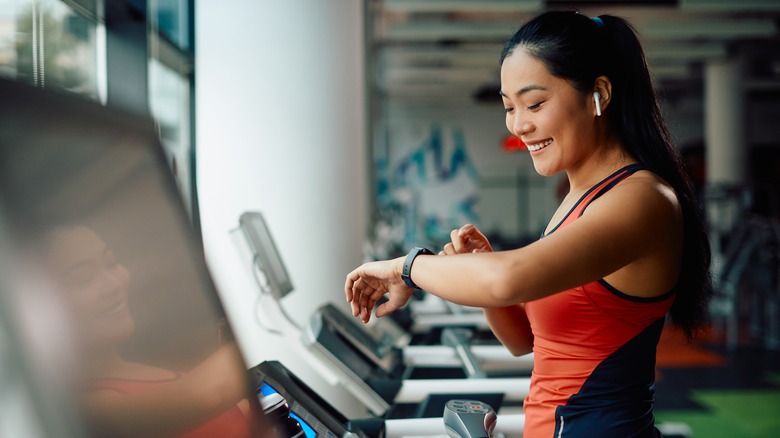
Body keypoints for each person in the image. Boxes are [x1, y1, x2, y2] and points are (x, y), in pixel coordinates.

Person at [345, 11, 712, 438]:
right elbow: (526, 341)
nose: (519, 125)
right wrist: (482, 265)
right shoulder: (577, 201)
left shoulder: (642, 199)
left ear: (599, 94)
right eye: (509, 107)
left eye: (534, 103)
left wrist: (403, 267)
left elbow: (509, 279)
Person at [38, 224, 271, 437]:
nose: (114, 283)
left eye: (112, 263)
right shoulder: (87, 410)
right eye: (84, 279)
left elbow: (228, 415)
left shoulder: (151, 374)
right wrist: (266, 316)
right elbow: (207, 395)